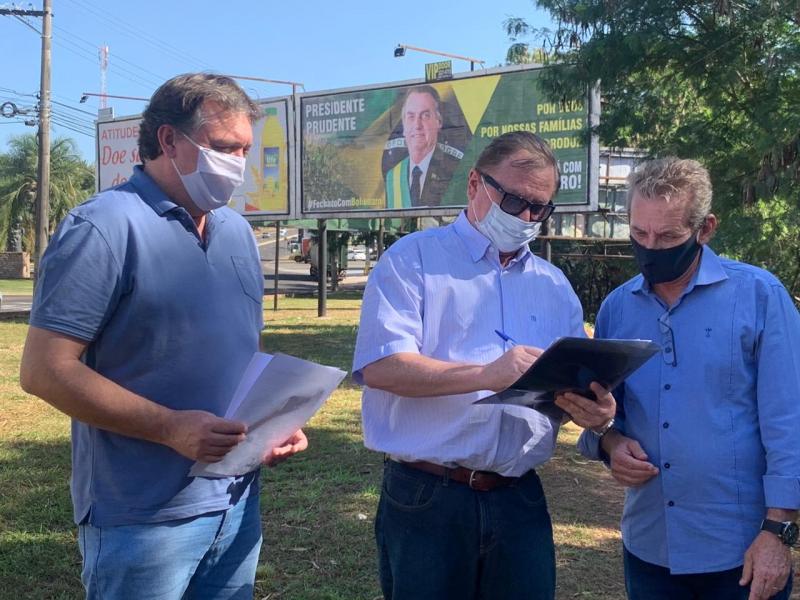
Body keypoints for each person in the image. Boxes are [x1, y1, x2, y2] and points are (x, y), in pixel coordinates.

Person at [19, 73, 307, 599]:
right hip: (141, 516)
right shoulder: (102, 227)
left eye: (244, 149)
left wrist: (273, 421)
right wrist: (169, 428)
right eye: (223, 148)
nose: (237, 164)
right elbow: (44, 370)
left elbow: (245, 350)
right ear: (168, 141)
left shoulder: (237, 232)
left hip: (235, 503)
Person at [354, 131, 616, 600]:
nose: (528, 218)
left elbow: (566, 385)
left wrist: (595, 412)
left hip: (518, 495)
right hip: (429, 495)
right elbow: (381, 367)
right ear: (474, 183)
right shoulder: (412, 260)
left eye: (541, 208)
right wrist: (485, 375)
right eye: (515, 202)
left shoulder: (553, 285)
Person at [563, 157, 800, 600]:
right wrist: (610, 442)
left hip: (742, 550)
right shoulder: (617, 308)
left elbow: (791, 422)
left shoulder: (760, 297)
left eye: (669, 236)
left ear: (705, 228)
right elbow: (609, 418)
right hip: (650, 545)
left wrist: (778, 533)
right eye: (639, 234)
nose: (651, 247)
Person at [384, 85, 462, 208]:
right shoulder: (393, 176)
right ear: (404, 126)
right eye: (411, 117)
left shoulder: (456, 170)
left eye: (425, 115)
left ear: (438, 122)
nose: (417, 125)